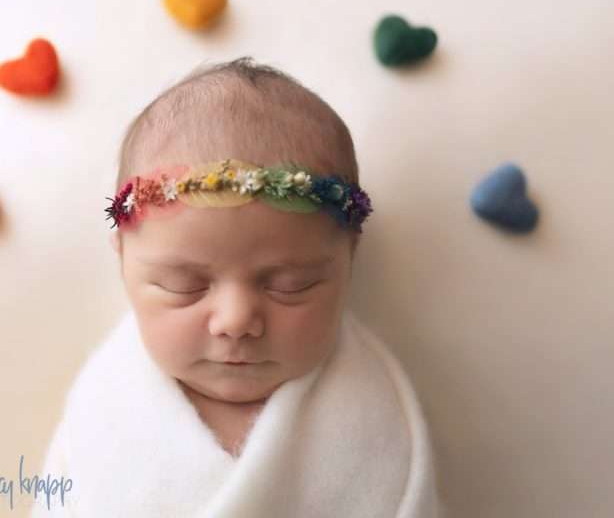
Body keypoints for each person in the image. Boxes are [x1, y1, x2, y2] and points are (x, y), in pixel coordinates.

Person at [34, 57, 440, 517]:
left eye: (292, 284)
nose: (236, 320)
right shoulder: (106, 410)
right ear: (123, 262)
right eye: (183, 285)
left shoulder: (371, 414)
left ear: (350, 260)